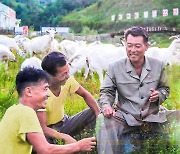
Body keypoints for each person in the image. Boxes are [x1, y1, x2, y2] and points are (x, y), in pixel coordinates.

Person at [96, 26, 180, 154]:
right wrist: (106, 105)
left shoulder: (158, 65)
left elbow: (165, 89)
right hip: (125, 117)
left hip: (153, 115)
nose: (132, 50)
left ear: (147, 46)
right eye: (129, 45)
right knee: (105, 122)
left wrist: (159, 95)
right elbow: (106, 91)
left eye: (137, 46)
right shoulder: (115, 67)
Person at [0, 67, 96, 154]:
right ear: (29, 91)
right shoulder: (26, 113)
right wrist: (78, 146)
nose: (48, 94)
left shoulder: (12, 110)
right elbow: (45, 150)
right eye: (45, 89)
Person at [37, 51, 100, 144]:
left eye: (68, 72)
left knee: (95, 109)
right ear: (49, 76)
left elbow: (85, 94)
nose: (68, 76)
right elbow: (42, 128)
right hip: (47, 131)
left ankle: (93, 138)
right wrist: (63, 137)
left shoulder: (68, 80)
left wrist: (98, 114)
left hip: (65, 123)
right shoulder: (40, 92)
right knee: (42, 145)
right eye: (63, 74)